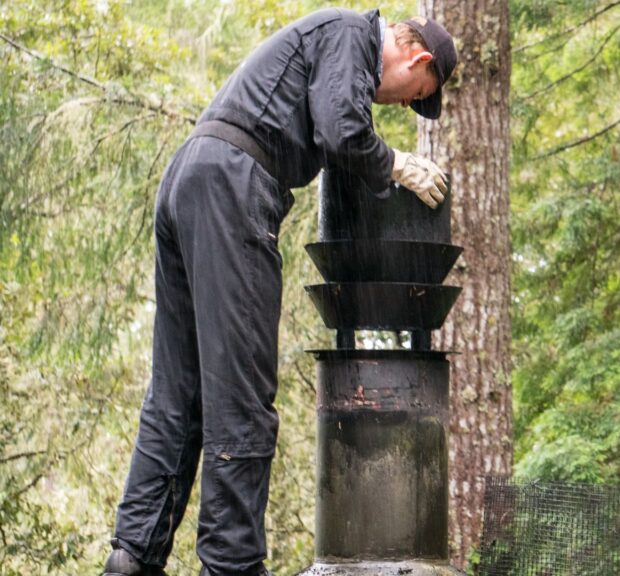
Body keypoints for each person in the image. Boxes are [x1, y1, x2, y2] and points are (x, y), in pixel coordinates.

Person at [101, 8, 458, 576]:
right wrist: (396, 165)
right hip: (232, 185)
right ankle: (234, 565)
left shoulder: (331, 49)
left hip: (191, 177)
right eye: (415, 95)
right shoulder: (351, 35)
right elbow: (342, 132)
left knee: (180, 393)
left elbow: (332, 126)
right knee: (242, 397)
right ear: (417, 59)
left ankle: (133, 558)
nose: (402, 105)